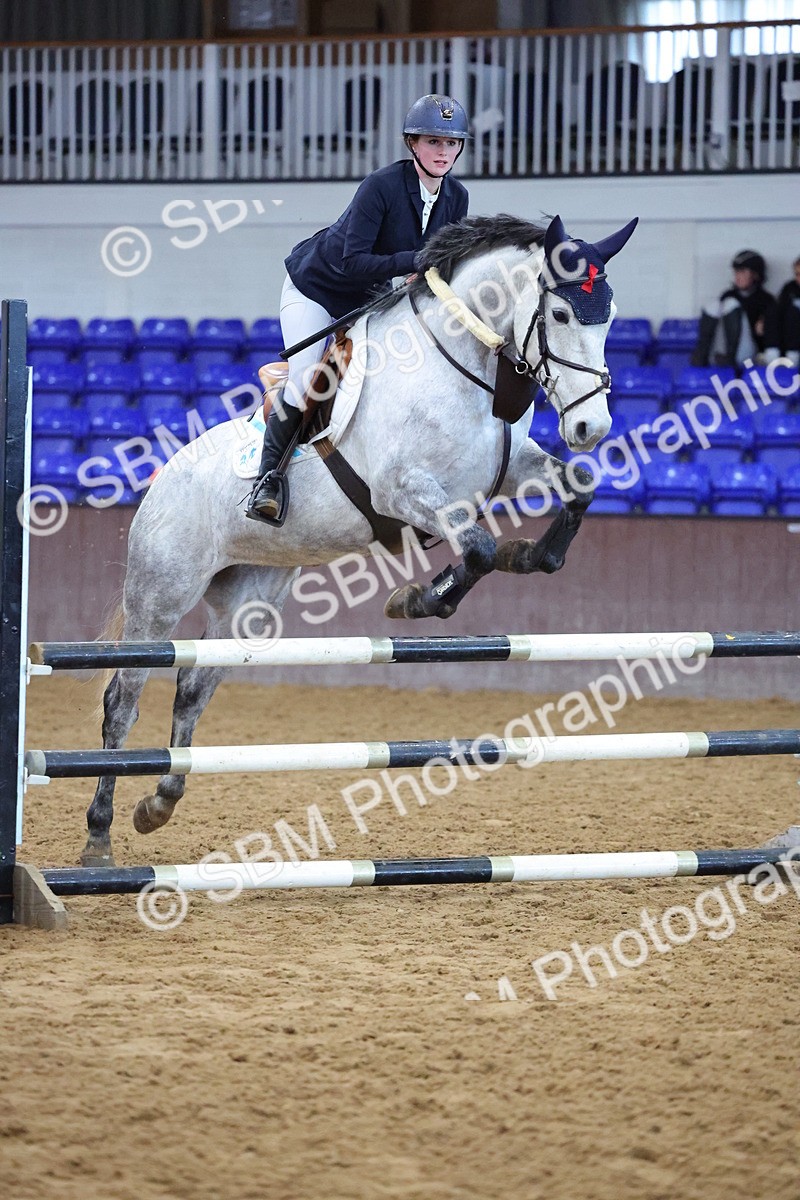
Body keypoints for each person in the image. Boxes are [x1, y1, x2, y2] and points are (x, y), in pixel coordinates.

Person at [246, 93, 470, 525]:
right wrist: (413, 263)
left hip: (373, 296)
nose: (443, 152)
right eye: (433, 142)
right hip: (318, 288)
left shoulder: (456, 198)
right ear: (412, 144)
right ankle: (268, 480)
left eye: (451, 143)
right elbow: (353, 260)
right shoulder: (381, 186)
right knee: (307, 378)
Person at [692, 250, 778, 368]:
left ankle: (730, 359)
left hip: (748, 357)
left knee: (730, 304)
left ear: (755, 274)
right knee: (714, 306)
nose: (737, 276)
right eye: (736, 272)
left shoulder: (766, 300)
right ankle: (702, 355)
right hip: (721, 352)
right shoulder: (728, 295)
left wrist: (765, 323)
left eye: (742, 272)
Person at [768, 256, 800, 366]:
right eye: (797, 274)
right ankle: (772, 355)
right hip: (789, 337)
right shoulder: (790, 288)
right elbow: (777, 309)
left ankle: (793, 357)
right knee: (773, 312)